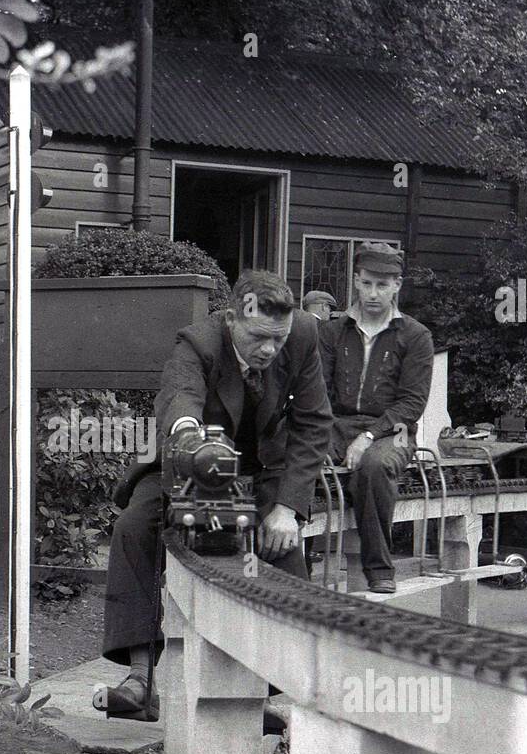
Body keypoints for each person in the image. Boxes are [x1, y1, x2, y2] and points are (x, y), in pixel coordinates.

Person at [98, 270, 333, 721]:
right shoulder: (197, 343)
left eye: (277, 339)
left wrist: (287, 507)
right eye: (259, 337)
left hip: (263, 468)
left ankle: (262, 693)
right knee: (134, 528)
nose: (269, 349)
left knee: (282, 552)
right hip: (192, 463)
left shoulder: (302, 333)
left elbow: (313, 423)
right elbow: (179, 397)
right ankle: (141, 679)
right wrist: (189, 436)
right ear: (231, 319)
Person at [317, 242, 433, 594]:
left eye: (382, 285)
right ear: (355, 280)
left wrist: (368, 436)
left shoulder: (415, 336)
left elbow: (412, 403)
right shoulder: (332, 332)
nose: (373, 293)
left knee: (375, 466)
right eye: (366, 283)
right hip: (336, 425)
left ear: (397, 285)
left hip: (392, 430)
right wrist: (316, 434)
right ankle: (297, 560)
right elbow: (318, 389)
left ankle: (379, 568)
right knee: (295, 454)